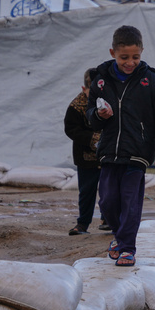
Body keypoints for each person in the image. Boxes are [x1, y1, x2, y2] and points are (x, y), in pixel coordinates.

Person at [86, 25, 155, 267]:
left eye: (135, 57)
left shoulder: (152, 82)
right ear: (112, 52)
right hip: (109, 153)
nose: (130, 62)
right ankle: (119, 238)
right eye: (124, 57)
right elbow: (90, 115)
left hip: (138, 152)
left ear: (142, 52)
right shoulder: (101, 81)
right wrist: (99, 115)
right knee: (107, 201)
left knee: (130, 202)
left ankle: (127, 249)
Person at [63, 69, 109, 235]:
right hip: (86, 157)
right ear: (84, 89)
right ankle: (82, 224)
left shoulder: (108, 102)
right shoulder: (76, 106)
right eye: (92, 92)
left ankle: (108, 219)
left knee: (109, 189)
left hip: (108, 156)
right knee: (87, 191)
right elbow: (71, 129)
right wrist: (93, 138)